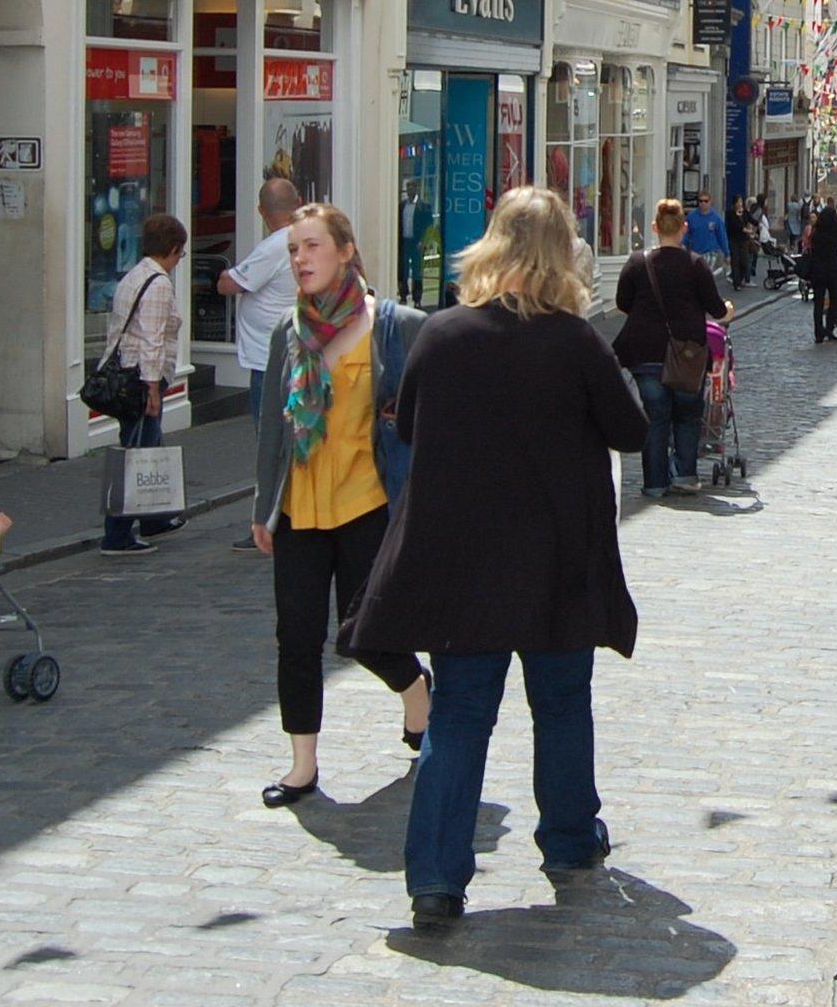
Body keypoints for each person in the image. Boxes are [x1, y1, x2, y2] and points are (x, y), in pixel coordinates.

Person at [339, 185, 649, 931]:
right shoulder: (574, 341)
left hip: (464, 562)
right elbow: (630, 430)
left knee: (461, 714)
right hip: (555, 561)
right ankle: (570, 841)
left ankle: (438, 880)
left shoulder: (442, 335)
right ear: (561, 255)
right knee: (563, 704)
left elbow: (407, 422)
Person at [249, 204, 432, 808]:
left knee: (364, 632)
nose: (300, 259)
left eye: (311, 247)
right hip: (300, 509)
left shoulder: (393, 326)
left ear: (346, 251)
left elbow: (426, 411)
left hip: (366, 503)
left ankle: (416, 694)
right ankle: (302, 763)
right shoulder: (287, 330)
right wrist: (262, 507)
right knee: (295, 637)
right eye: (294, 250)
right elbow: (272, 430)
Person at [613, 199, 732, 495]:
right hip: (687, 353)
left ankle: (654, 483)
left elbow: (622, 303)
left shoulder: (638, 263)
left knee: (655, 417)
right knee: (688, 414)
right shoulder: (695, 265)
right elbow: (716, 309)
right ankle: (685, 475)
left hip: (644, 352)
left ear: (655, 227)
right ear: (684, 228)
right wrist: (728, 310)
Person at [99, 215, 189, 556]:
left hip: (128, 372)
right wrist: (153, 388)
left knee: (148, 447)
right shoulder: (159, 283)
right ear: (173, 249)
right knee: (136, 453)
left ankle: (155, 516)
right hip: (140, 378)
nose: (180, 261)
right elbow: (151, 338)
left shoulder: (135, 275)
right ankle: (118, 533)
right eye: (180, 254)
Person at [220, 179, 302, 550]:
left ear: (260, 212)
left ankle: (270, 520)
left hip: (268, 359)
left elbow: (230, 284)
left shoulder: (275, 246)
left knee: (269, 443)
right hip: (289, 351)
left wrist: (222, 275)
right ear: (298, 202)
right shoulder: (304, 242)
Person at [807, 204, 837, 344]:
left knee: (818, 302)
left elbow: (810, 246)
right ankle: (829, 329)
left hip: (817, 270)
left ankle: (818, 333)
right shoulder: (836, 232)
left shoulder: (816, 232)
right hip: (832, 269)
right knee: (834, 301)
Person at [684, 192, 729, 276]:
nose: (703, 203)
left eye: (706, 201)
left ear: (710, 201)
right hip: (695, 252)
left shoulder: (716, 218)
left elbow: (721, 236)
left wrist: (727, 253)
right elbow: (685, 234)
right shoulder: (691, 217)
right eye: (701, 201)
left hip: (710, 253)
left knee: (705, 275)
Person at [726, 196, 754, 290]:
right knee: (735, 261)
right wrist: (745, 230)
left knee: (744, 262)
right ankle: (736, 283)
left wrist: (758, 225)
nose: (740, 203)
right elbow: (734, 225)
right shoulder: (730, 213)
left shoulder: (745, 212)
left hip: (743, 240)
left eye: (741, 201)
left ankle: (738, 278)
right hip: (734, 239)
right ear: (734, 203)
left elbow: (751, 219)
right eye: (738, 202)